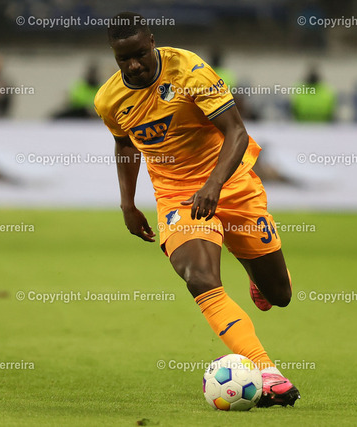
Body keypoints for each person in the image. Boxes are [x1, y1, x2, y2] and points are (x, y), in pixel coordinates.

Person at [94, 12, 300, 408]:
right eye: (124, 59)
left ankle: (259, 276)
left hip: (231, 185)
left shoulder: (190, 72)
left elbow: (236, 132)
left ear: (152, 40)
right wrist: (127, 203)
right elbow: (124, 145)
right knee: (200, 278)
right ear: (114, 55)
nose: (133, 65)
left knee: (281, 294)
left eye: (139, 54)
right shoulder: (108, 99)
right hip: (177, 199)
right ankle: (267, 372)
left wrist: (214, 185)